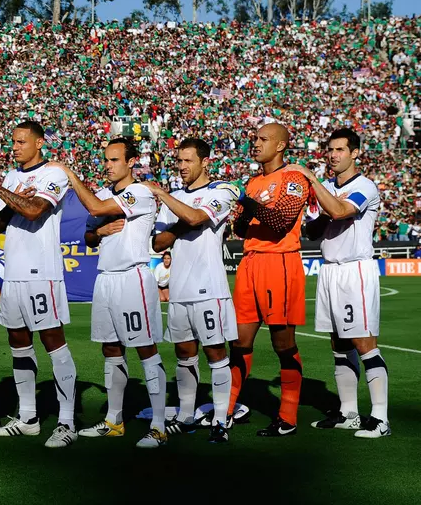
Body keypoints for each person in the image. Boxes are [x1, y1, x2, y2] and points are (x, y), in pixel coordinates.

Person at [51, 138, 168, 449]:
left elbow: (95, 208)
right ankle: (114, 421)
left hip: (133, 278)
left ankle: (159, 426)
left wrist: (69, 174)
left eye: (114, 160)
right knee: (111, 349)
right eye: (105, 159)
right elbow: (90, 235)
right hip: (105, 279)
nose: (107, 165)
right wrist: (98, 232)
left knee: (145, 349)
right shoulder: (103, 194)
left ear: (131, 162)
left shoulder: (140, 193)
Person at [0, 121, 78, 449]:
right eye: (13, 142)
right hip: (15, 271)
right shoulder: (12, 177)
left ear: (38, 143)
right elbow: (0, 222)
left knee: (52, 341)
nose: (15, 147)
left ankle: (67, 421)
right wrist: (9, 196)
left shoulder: (54, 173)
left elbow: (34, 211)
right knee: (18, 341)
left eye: (21, 142)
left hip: (42, 272)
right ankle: (29, 418)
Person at [287, 128, 390, 438]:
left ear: (355, 153)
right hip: (330, 269)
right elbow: (315, 230)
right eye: (330, 149)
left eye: (340, 150)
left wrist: (312, 181)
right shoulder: (329, 186)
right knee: (339, 344)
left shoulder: (365, 186)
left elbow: (341, 210)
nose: (333, 155)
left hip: (355, 270)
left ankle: (380, 419)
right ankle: (348, 413)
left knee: (364, 343)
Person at [146, 138, 240, 443]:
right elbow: (158, 243)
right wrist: (180, 221)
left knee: (215, 352)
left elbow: (198, 217)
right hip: (180, 289)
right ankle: (187, 414)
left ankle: (220, 419)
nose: (182, 167)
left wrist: (162, 196)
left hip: (209, 287)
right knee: (184, 353)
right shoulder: (174, 197)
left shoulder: (223, 190)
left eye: (188, 161)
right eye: (180, 161)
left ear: (204, 162)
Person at [228, 122, 310, 437]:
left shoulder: (294, 178)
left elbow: (279, 222)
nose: (256, 143)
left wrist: (246, 203)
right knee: (238, 341)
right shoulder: (253, 182)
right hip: (250, 263)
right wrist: (246, 206)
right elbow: (239, 228)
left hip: (280, 264)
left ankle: (287, 416)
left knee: (282, 343)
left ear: (280, 145)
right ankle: (227, 410)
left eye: (263, 139)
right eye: (255, 138)